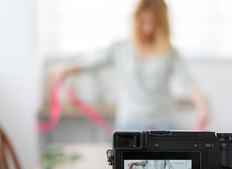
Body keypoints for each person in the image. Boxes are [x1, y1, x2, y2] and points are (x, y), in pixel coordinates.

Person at [50, 0, 209, 130]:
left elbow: (188, 81)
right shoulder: (120, 48)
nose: (148, 28)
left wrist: (201, 105)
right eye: (143, 21)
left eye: (154, 22)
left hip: (163, 123)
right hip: (129, 123)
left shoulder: (169, 52)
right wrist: (66, 69)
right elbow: (91, 62)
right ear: (136, 20)